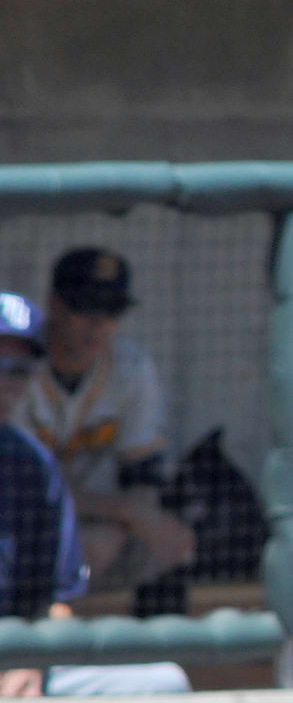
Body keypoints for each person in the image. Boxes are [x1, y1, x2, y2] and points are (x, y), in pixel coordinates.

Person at [0, 291, 190, 697]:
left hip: (14, 658)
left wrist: (33, 659)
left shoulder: (32, 465)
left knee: (164, 683)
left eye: (17, 369)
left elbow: (59, 599)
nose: (5, 380)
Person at [10, 248, 193, 614]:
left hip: (94, 522)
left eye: (110, 311)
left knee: (173, 542)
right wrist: (124, 512)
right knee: (89, 547)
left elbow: (143, 481)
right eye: (85, 308)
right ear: (55, 305)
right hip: (18, 522)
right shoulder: (17, 368)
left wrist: (123, 522)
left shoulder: (130, 368)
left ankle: (149, 653)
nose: (98, 323)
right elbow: (27, 492)